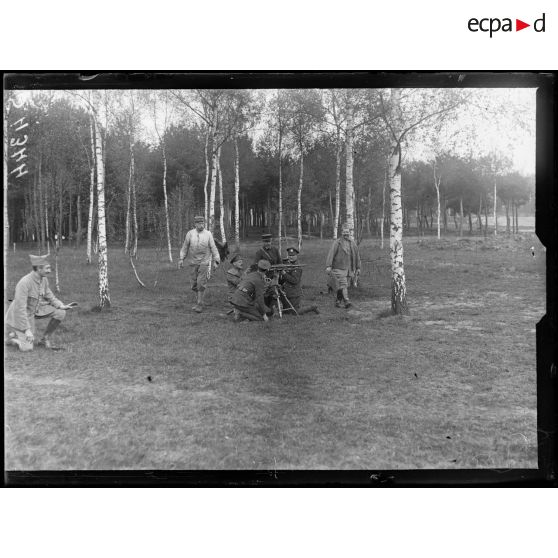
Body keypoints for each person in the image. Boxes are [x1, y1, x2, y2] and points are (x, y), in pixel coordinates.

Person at [5, 254, 75, 350]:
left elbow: (50, 296)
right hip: (21, 314)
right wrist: (26, 330)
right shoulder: (24, 283)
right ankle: (12, 339)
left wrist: (61, 306)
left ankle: (44, 339)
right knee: (27, 348)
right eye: (47, 268)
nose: (49, 271)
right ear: (39, 269)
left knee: (60, 312)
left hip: (36, 309)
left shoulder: (44, 279)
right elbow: (20, 309)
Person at [178, 215, 221, 313]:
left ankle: (199, 304)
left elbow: (213, 248)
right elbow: (185, 247)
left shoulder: (208, 234)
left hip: (204, 262)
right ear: (195, 224)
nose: (201, 225)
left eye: (202, 223)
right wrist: (181, 259)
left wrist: (216, 261)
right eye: (199, 223)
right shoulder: (190, 234)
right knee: (194, 284)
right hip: (193, 262)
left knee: (201, 283)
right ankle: (199, 300)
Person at [325, 223, 361, 309]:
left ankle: (337, 302)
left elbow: (357, 255)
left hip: (349, 269)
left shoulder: (352, 243)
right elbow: (331, 254)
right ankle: (347, 301)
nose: (346, 234)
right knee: (344, 284)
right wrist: (328, 266)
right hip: (338, 268)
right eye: (344, 232)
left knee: (342, 286)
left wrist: (358, 267)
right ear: (341, 232)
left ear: (349, 232)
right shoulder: (337, 242)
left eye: (347, 232)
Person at [279, 247, 319, 315]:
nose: (291, 257)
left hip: (294, 294)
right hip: (286, 292)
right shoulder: (287, 264)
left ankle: (312, 307)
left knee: (295, 312)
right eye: (289, 255)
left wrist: (284, 273)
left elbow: (295, 280)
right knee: (286, 312)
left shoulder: (297, 267)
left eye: (293, 255)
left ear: (296, 256)